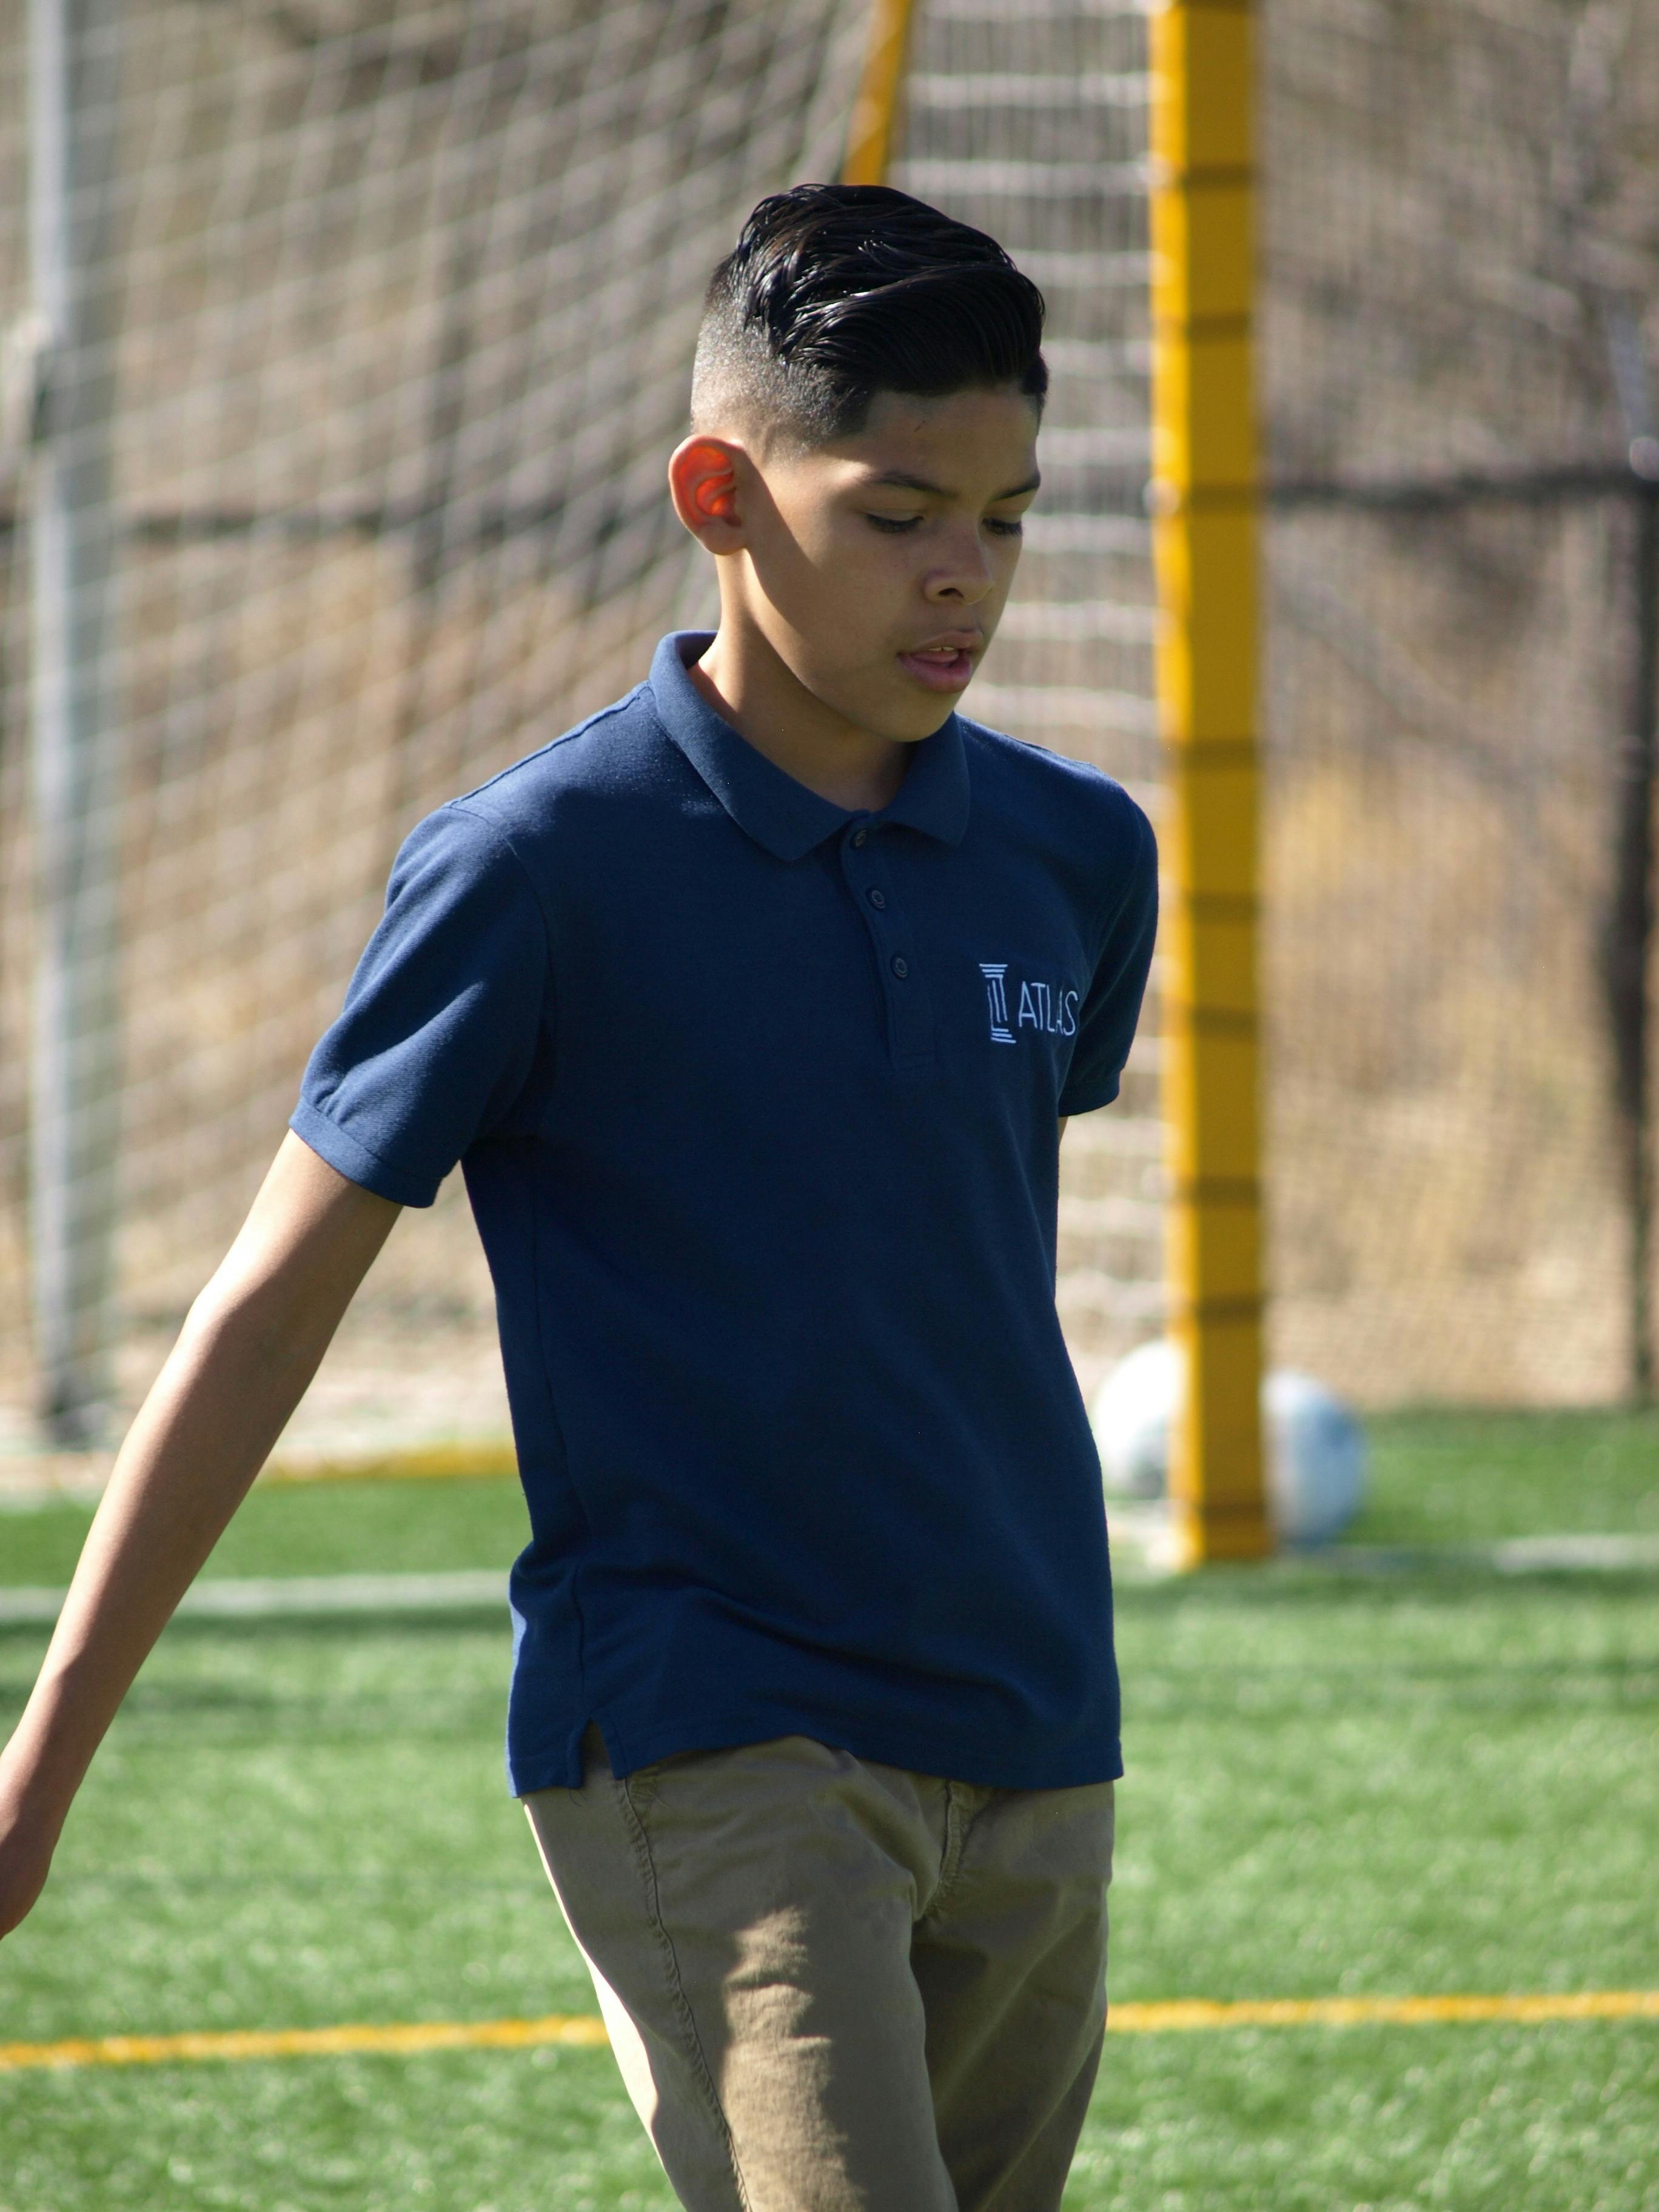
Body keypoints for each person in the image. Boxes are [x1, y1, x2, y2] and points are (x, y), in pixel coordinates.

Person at [0, 184, 1157, 2210]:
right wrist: (44, 1753)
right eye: (897, 515)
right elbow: (267, 1311)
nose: (962, 577)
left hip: (1041, 1718)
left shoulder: (1076, 856)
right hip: (713, 1731)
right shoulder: (537, 869)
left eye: (1008, 518)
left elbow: (940, 1267)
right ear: (721, 490)